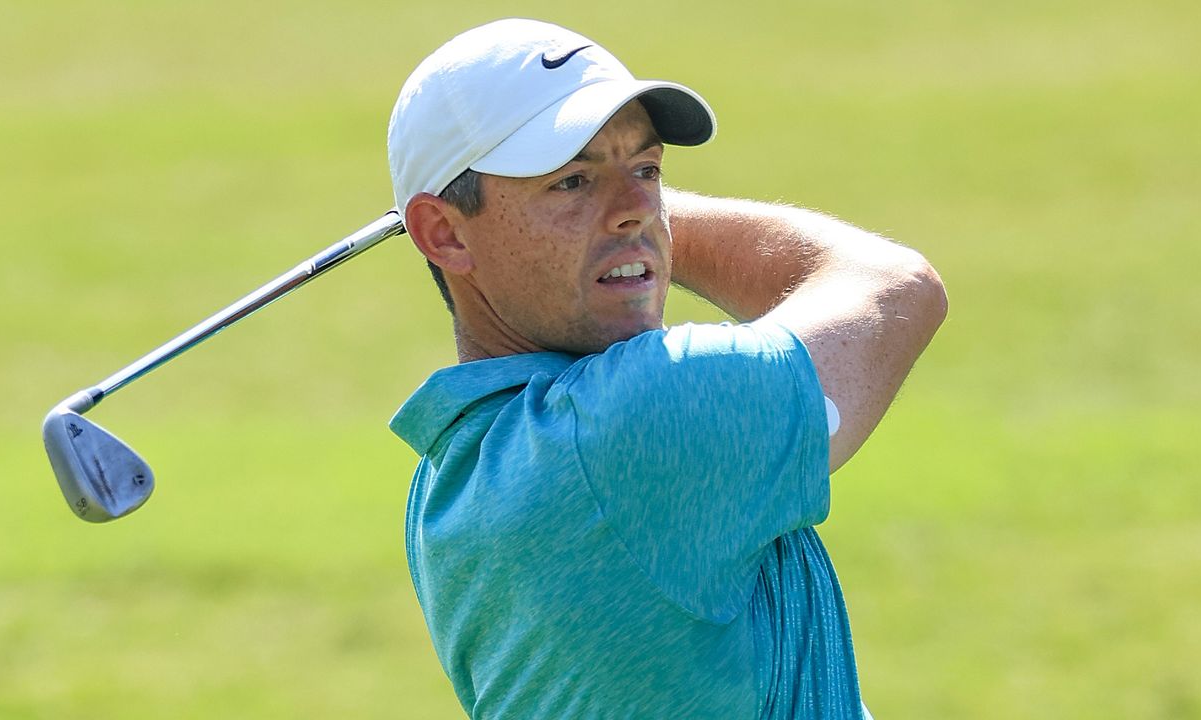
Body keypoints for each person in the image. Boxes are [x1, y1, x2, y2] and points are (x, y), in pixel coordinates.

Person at [386, 18, 946, 720]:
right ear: (442, 232)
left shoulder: (446, 476)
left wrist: (603, 212)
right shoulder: (631, 425)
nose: (638, 211)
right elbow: (894, 288)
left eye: (647, 170)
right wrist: (649, 220)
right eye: (572, 181)